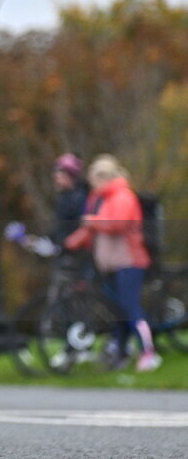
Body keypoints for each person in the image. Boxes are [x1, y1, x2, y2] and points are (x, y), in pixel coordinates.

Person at [64, 155, 161, 372]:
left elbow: (117, 224)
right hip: (111, 264)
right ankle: (121, 352)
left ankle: (148, 352)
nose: (93, 186)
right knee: (119, 310)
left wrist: (92, 221)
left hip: (129, 261)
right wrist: (69, 243)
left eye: (95, 181)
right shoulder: (103, 199)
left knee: (130, 306)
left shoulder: (122, 195)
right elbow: (92, 230)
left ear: (104, 177)